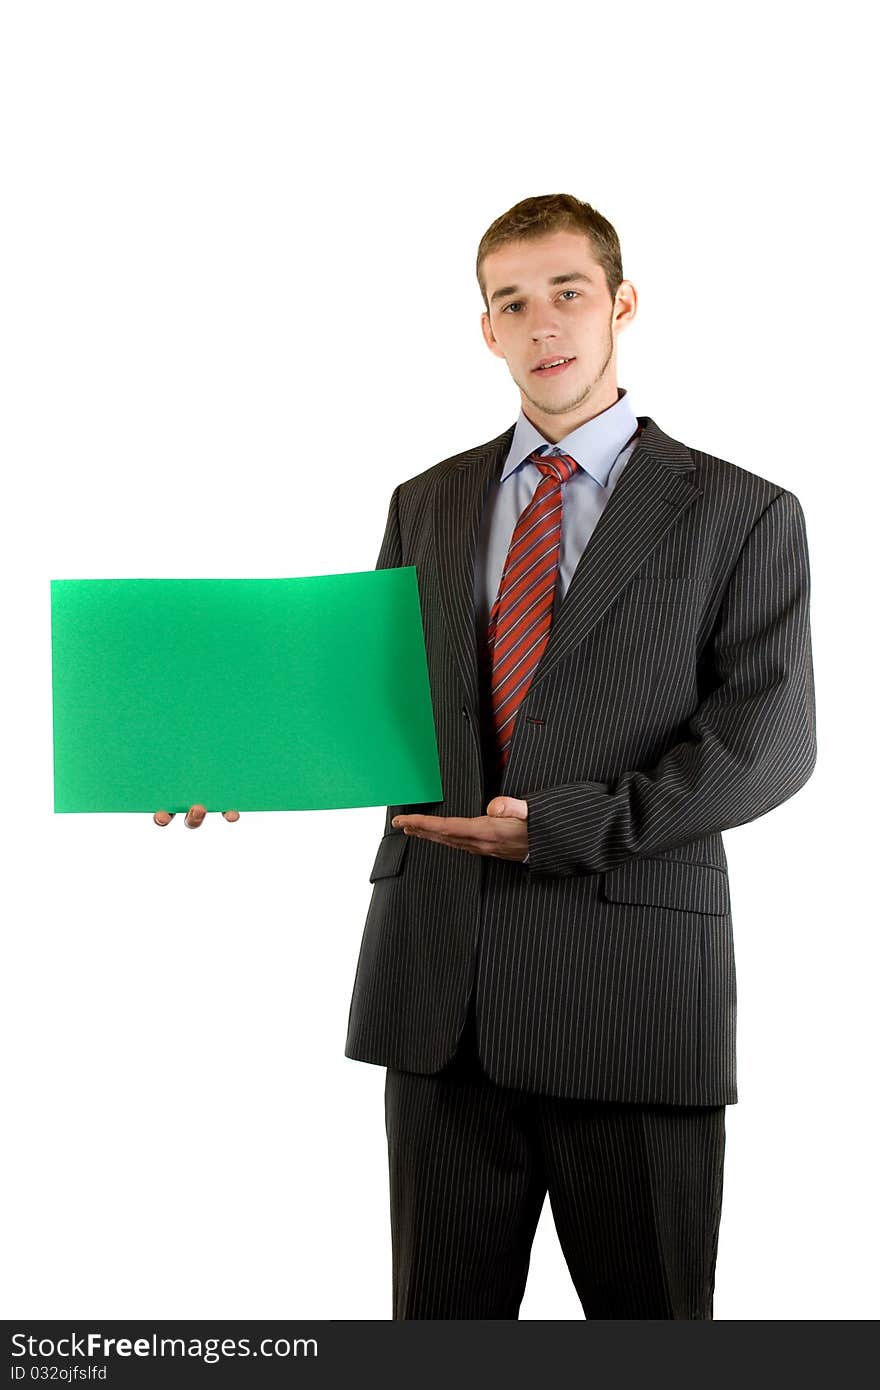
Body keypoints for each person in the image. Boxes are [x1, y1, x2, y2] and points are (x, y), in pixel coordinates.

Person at [156, 192, 817, 1321]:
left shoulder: (741, 511)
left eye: (567, 293)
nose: (542, 323)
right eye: (512, 303)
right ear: (486, 330)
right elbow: (369, 701)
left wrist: (564, 826)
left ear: (621, 305)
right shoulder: (429, 500)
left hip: (630, 998)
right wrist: (234, 760)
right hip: (438, 987)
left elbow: (767, 740)